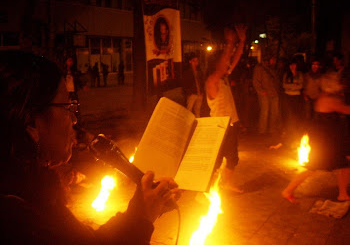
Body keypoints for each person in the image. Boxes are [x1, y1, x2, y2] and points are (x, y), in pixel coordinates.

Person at [0, 51, 180, 244]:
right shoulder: (17, 219)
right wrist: (140, 221)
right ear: (32, 121)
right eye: (66, 107)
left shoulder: (36, 191)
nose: (74, 119)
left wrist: (140, 212)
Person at [282, 72, 350, 203]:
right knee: (313, 167)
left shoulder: (325, 96)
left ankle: (342, 194)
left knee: (343, 166)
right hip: (325, 142)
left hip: (328, 140)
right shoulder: (329, 99)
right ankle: (288, 190)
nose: (340, 85)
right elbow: (346, 110)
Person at [205, 24, 247, 192]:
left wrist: (242, 42)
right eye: (224, 62)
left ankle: (226, 183)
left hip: (231, 124)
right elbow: (224, 63)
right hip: (219, 126)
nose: (228, 64)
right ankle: (206, 188)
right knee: (215, 160)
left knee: (232, 158)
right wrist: (230, 44)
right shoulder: (212, 81)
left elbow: (234, 59)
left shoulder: (223, 78)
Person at [252, 50, 280, 136]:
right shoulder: (259, 68)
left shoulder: (272, 68)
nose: (274, 61)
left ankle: (272, 129)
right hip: (264, 94)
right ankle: (262, 130)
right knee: (265, 112)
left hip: (274, 93)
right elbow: (256, 81)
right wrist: (261, 91)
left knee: (274, 112)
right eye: (272, 59)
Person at [281, 58, 304, 147]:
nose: (292, 67)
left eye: (294, 65)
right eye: (291, 65)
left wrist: (291, 86)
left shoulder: (300, 74)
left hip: (296, 97)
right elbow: (284, 85)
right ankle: (288, 130)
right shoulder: (287, 74)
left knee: (296, 114)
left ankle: (295, 130)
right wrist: (295, 85)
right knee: (288, 114)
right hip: (288, 96)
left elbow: (301, 85)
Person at [182, 52, 204, 118]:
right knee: (189, 110)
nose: (196, 62)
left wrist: (202, 91)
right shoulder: (187, 72)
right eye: (194, 61)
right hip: (192, 94)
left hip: (199, 93)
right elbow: (185, 83)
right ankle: (188, 123)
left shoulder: (199, 71)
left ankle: (198, 123)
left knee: (197, 110)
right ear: (190, 62)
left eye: (196, 61)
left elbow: (202, 81)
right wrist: (189, 93)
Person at [303, 57, 323, 121]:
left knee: (316, 116)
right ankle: (308, 129)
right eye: (313, 64)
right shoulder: (307, 75)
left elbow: (322, 88)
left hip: (317, 98)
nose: (315, 66)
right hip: (308, 98)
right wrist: (305, 96)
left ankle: (315, 129)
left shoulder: (321, 76)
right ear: (311, 66)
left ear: (318, 66)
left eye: (316, 65)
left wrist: (320, 97)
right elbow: (304, 86)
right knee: (307, 115)